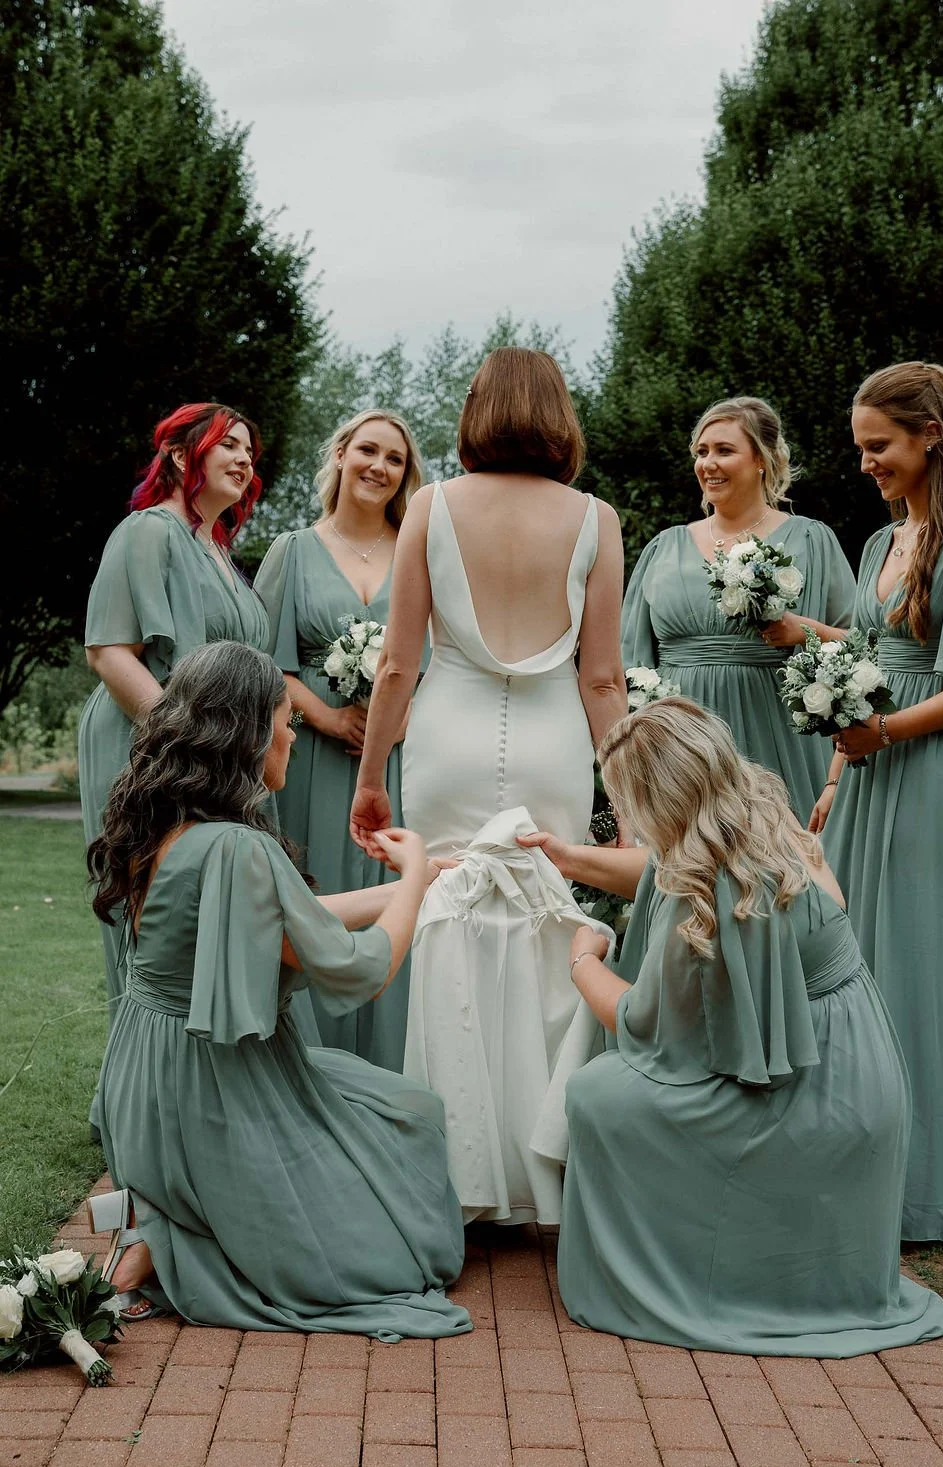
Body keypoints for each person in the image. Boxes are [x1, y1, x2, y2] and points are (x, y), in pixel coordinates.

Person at [86, 640, 471, 1339]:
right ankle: (174, 1240)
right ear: (248, 732)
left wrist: (412, 884)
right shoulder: (237, 846)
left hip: (146, 1085)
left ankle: (166, 1224)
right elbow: (360, 969)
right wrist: (413, 875)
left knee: (397, 1103)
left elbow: (290, 923)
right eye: (284, 717)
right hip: (209, 1092)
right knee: (394, 1241)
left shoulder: (177, 826)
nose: (293, 732)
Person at [555, 697, 943, 1355]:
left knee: (599, 1096)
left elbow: (639, 1024)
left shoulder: (703, 888)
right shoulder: (761, 815)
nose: (622, 813)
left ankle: (686, 1279)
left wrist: (581, 958)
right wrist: (567, 859)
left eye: (625, 799)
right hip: (859, 1061)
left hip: (806, 1086)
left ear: (658, 802)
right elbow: (664, 873)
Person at [350, 347, 628, 1224]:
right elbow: (604, 680)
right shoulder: (595, 519)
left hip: (448, 735)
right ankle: (541, 1179)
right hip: (551, 740)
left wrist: (370, 777)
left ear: (479, 410)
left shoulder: (432, 506)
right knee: (549, 934)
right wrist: (622, 798)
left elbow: (396, 664)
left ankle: (458, 1179)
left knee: (446, 930)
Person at [814, 362, 943, 1245]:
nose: (867, 463)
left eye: (880, 446)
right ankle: (859, 1169)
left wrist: (888, 734)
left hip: (932, 777)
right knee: (860, 962)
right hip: (866, 774)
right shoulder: (878, 544)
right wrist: (834, 770)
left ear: (930, 433)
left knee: (923, 964)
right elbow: (865, 663)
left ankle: (927, 1193)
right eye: (861, 448)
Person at [79, 403, 271, 1018]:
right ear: (185, 456)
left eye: (250, 451)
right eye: (229, 446)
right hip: (146, 746)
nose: (244, 459)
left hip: (211, 759)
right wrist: (190, 745)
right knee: (153, 918)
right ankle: (142, 1084)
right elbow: (110, 652)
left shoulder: (216, 549)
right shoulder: (147, 531)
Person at [255, 410, 425, 1068]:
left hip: (393, 764)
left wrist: (399, 716)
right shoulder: (293, 551)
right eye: (368, 451)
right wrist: (324, 718)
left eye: (395, 460)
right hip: (308, 758)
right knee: (316, 900)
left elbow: (433, 655)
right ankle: (305, 1068)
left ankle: (383, 1071)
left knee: (388, 898)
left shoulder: (416, 549)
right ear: (342, 455)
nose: (379, 467)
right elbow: (263, 659)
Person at [621, 397, 856, 823]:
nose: (708, 463)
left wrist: (803, 631)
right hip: (682, 746)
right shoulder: (663, 548)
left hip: (779, 732)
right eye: (702, 452)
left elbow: (859, 651)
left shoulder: (813, 542)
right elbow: (632, 659)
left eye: (724, 450)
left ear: (762, 460)